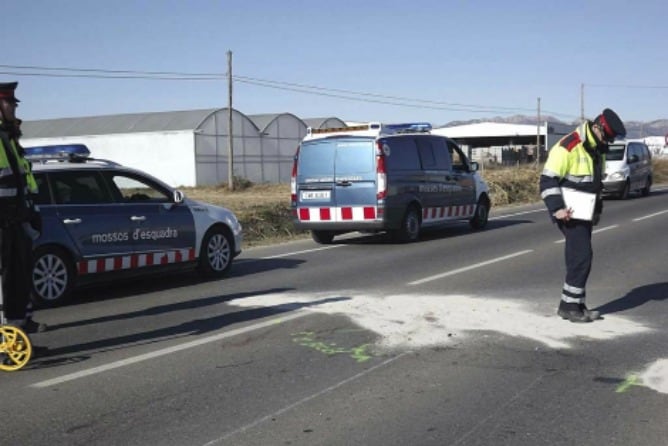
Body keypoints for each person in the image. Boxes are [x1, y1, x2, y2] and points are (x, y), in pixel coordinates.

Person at [539, 108, 626, 323]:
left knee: (580, 257)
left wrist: (596, 210)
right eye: (607, 136)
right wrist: (557, 208)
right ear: (597, 128)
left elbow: (594, 185)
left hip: (583, 212)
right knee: (581, 257)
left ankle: (575, 303)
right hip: (568, 212)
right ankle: (569, 306)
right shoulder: (570, 145)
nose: (608, 141)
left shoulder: (597, 148)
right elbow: (547, 181)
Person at [0, 81, 46, 334]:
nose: (14, 110)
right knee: (5, 282)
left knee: (17, 278)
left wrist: (31, 212)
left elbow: (21, 182)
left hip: (15, 220)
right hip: (4, 221)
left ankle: (17, 335)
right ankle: (6, 342)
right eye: (9, 104)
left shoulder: (9, 139)